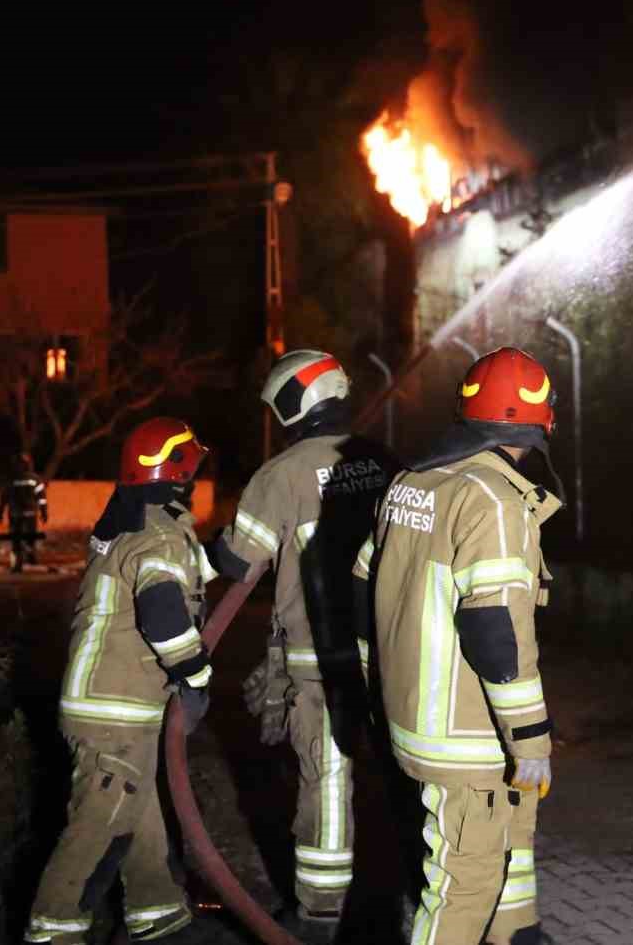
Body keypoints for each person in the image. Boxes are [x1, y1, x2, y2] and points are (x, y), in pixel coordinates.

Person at [356, 347, 560, 945]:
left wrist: (377, 694)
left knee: (509, 839)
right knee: (462, 883)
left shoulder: (412, 484)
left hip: (414, 717)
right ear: (538, 421)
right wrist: (530, 737)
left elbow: (363, 591)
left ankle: (518, 934)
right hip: (467, 734)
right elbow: (495, 629)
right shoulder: (495, 501)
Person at [209, 349, 399, 940]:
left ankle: (320, 913)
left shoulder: (282, 475)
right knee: (395, 776)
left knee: (328, 784)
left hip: (321, 665)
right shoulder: (385, 461)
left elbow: (239, 561)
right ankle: (396, 896)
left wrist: (207, 544)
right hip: (394, 660)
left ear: (296, 402)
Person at [24, 417, 215, 945]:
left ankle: (156, 913)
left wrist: (245, 553)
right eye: (192, 468)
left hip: (106, 704)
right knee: (98, 829)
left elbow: (192, 572)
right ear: (178, 471)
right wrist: (195, 674)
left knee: (138, 815)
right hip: (115, 710)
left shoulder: (134, 523)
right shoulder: (159, 532)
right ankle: (53, 929)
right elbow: (161, 610)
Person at [0, 452, 49, 571]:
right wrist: (44, 512)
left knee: (16, 538)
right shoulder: (34, 479)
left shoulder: (12, 479)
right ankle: (29, 556)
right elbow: (41, 498)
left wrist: (0, 512)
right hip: (29, 514)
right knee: (29, 537)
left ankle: (18, 562)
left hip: (15, 514)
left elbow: (4, 497)